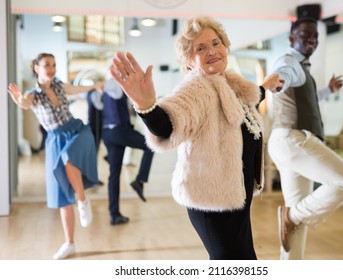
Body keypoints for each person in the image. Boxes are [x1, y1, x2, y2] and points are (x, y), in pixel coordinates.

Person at [110, 16, 283, 259]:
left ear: (225, 46)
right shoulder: (197, 88)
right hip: (211, 202)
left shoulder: (230, 85)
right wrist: (146, 104)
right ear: (189, 62)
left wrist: (266, 85)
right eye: (200, 48)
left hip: (235, 197)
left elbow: (247, 101)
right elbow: (168, 124)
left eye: (216, 43)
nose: (212, 51)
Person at [267, 17, 343, 259]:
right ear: (291, 38)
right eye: (305, 34)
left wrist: (328, 91)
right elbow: (283, 74)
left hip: (285, 143)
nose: (312, 39)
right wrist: (279, 81)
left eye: (315, 36)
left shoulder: (303, 70)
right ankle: (292, 217)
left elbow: (305, 98)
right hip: (293, 140)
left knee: (296, 224)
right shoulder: (289, 62)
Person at [8, 53, 103, 260]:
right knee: (62, 195)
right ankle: (70, 243)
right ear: (36, 68)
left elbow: (78, 89)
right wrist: (20, 101)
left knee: (69, 161)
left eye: (53, 65)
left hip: (76, 131)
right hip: (55, 140)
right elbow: (26, 102)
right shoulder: (34, 94)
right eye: (46, 65)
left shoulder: (60, 86)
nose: (51, 69)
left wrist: (95, 86)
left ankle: (83, 200)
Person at [102, 76, 155, 225]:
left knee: (114, 175)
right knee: (150, 144)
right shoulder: (114, 85)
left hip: (108, 132)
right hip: (120, 132)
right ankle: (140, 180)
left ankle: (114, 214)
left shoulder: (110, 88)